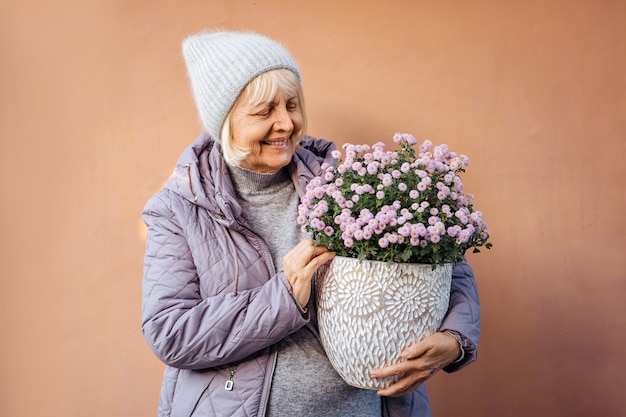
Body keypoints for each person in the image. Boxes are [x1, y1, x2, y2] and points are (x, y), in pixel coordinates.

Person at [141, 30, 480, 417]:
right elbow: (171, 332)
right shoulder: (179, 208)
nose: (286, 123)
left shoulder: (344, 181)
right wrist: (284, 297)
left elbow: (446, 265)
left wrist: (456, 338)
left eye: (292, 104)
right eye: (265, 111)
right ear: (225, 120)